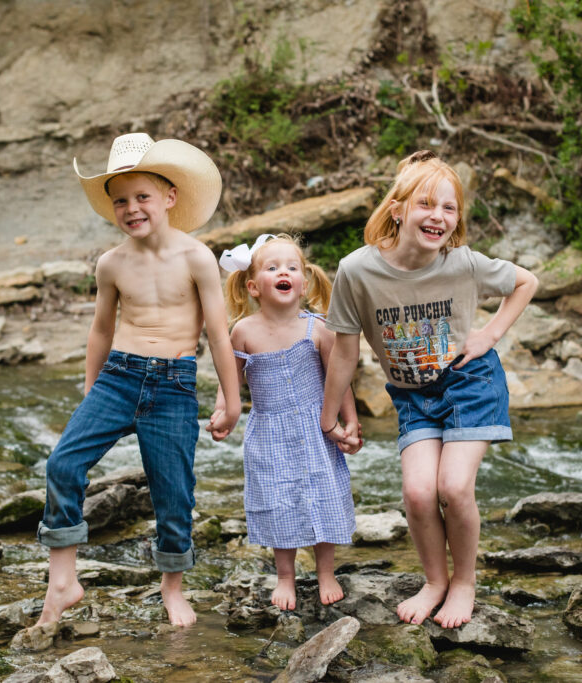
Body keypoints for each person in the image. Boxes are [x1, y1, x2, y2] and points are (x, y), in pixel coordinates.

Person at [320, 150, 538, 629]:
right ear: (397, 210)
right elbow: (344, 351)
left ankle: (464, 582)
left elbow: (526, 282)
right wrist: (330, 412)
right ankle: (435, 580)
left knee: (453, 486)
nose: (438, 216)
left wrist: (489, 335)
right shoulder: (357, 271)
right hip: (411, 395)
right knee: (418, 493)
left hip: (469, 384)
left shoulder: (463, 263)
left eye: (449, 208)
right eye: (426, 204)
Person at [32, 132, 242, 629]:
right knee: (63, 463)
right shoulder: (111, 263)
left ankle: (173, 588)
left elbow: (217, 332)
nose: (132, 208)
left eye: (142, 196)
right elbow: (101, 328)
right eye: (120, 199)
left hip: (173, 384)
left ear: (169, 198)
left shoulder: (196, 258)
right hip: (118, 378)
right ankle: (63, 580)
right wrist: (91, 388)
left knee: (174, 493)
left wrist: (230, 401)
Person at [216, 233, 361, 611]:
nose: (285, 272)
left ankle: (326, 571)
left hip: (317, 429)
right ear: (253, 286)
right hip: (269, 433)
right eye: (273, 267)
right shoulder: (243, 331)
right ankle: (286, 576)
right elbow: (229, 380)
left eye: (292, 267)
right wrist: (224, 413)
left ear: (304, 282)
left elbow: (338, 381)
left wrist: (350, 421)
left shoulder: (318, 328)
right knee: (279, 502)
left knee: (322, 496)